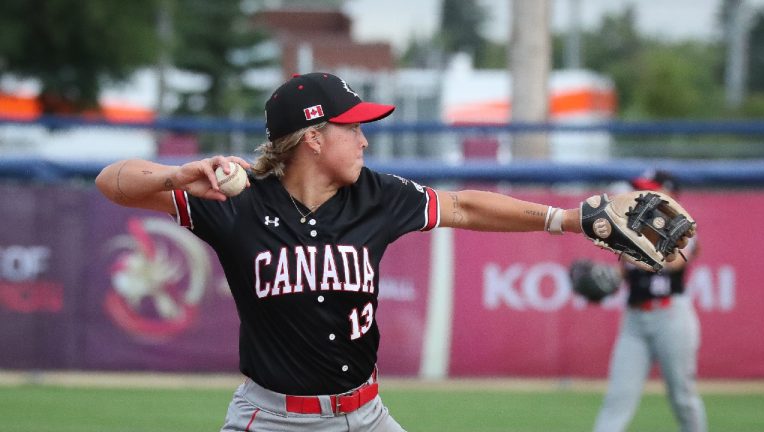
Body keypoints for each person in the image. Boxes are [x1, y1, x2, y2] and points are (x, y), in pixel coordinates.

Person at [95, 72, 650, 431]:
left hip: (365, 415)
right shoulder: (230, 201)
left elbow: (463, 207)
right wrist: (174, 175)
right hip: (272, 421)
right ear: (313, 137)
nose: (365, 140)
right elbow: (111, 181)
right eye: (352, 128)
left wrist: (567, 219)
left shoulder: (377, 196)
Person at [592, 170, 707, 432]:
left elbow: (674, 263)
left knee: (683, 397)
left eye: (652, 190)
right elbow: (621, 275)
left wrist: (620, 244)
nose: (645, 195)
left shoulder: (684, 227)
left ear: (669, 195)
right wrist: (602, 281)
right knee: (618, 397)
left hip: (671, 318)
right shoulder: (633, 228)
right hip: (634, 321)